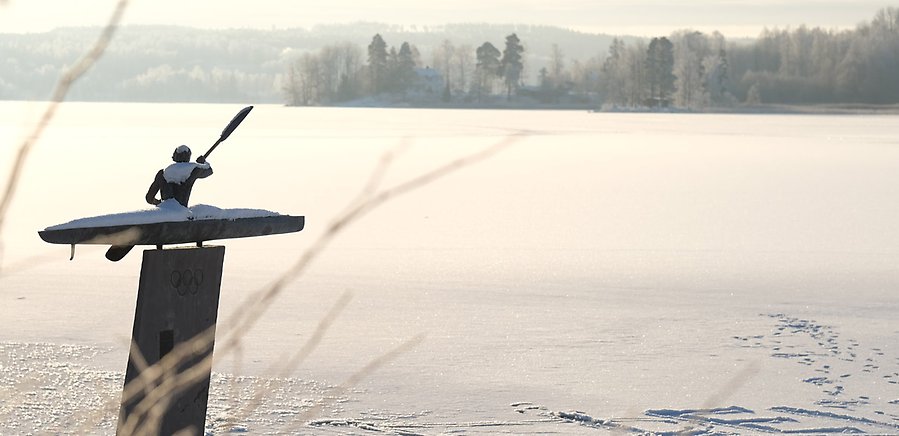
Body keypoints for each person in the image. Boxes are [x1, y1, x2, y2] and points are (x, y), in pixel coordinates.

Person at [145, 145, 213, 207]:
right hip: (181, 211)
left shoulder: (162, 173)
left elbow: (149, 198)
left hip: (164, 211)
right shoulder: (192, 169)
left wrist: (160, 203)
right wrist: (203, 162)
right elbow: (209, 171)